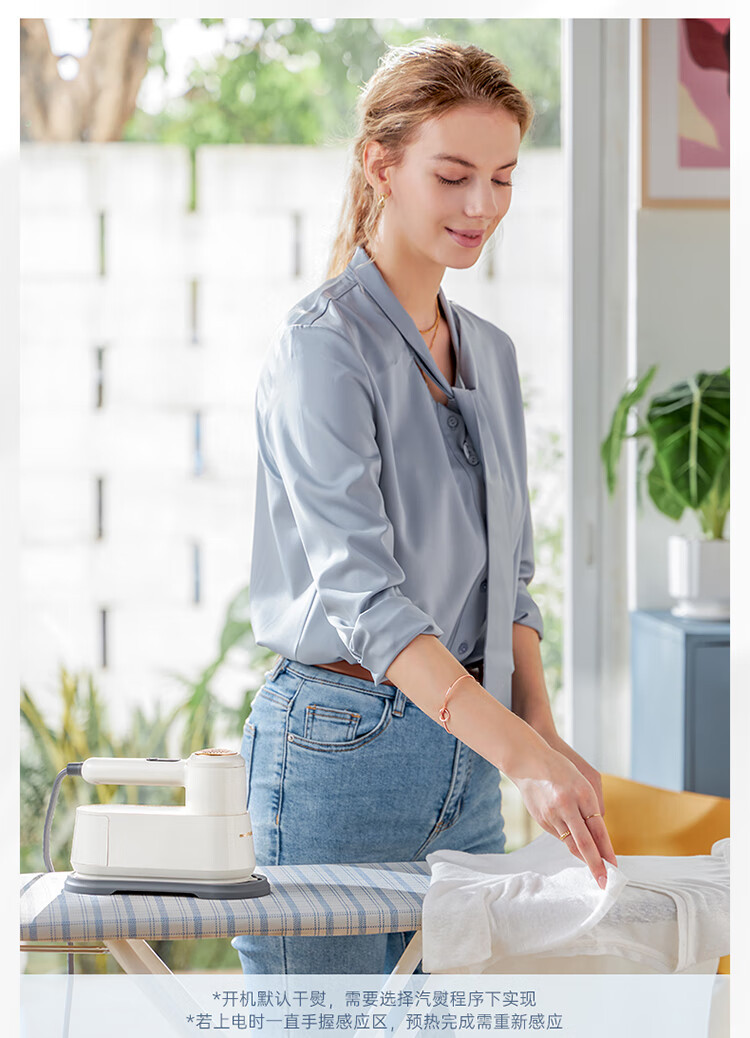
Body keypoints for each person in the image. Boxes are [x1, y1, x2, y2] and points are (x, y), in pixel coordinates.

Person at [232, 36, 617, 976]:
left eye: (502, 178)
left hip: (470, 757)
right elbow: (368, 602)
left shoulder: (490, 351)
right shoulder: (323, 349)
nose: (481, 207)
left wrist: (546, 737)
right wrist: (523, 753)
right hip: (338, 751)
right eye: (453, 176)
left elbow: (510, 582)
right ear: (382, 164)